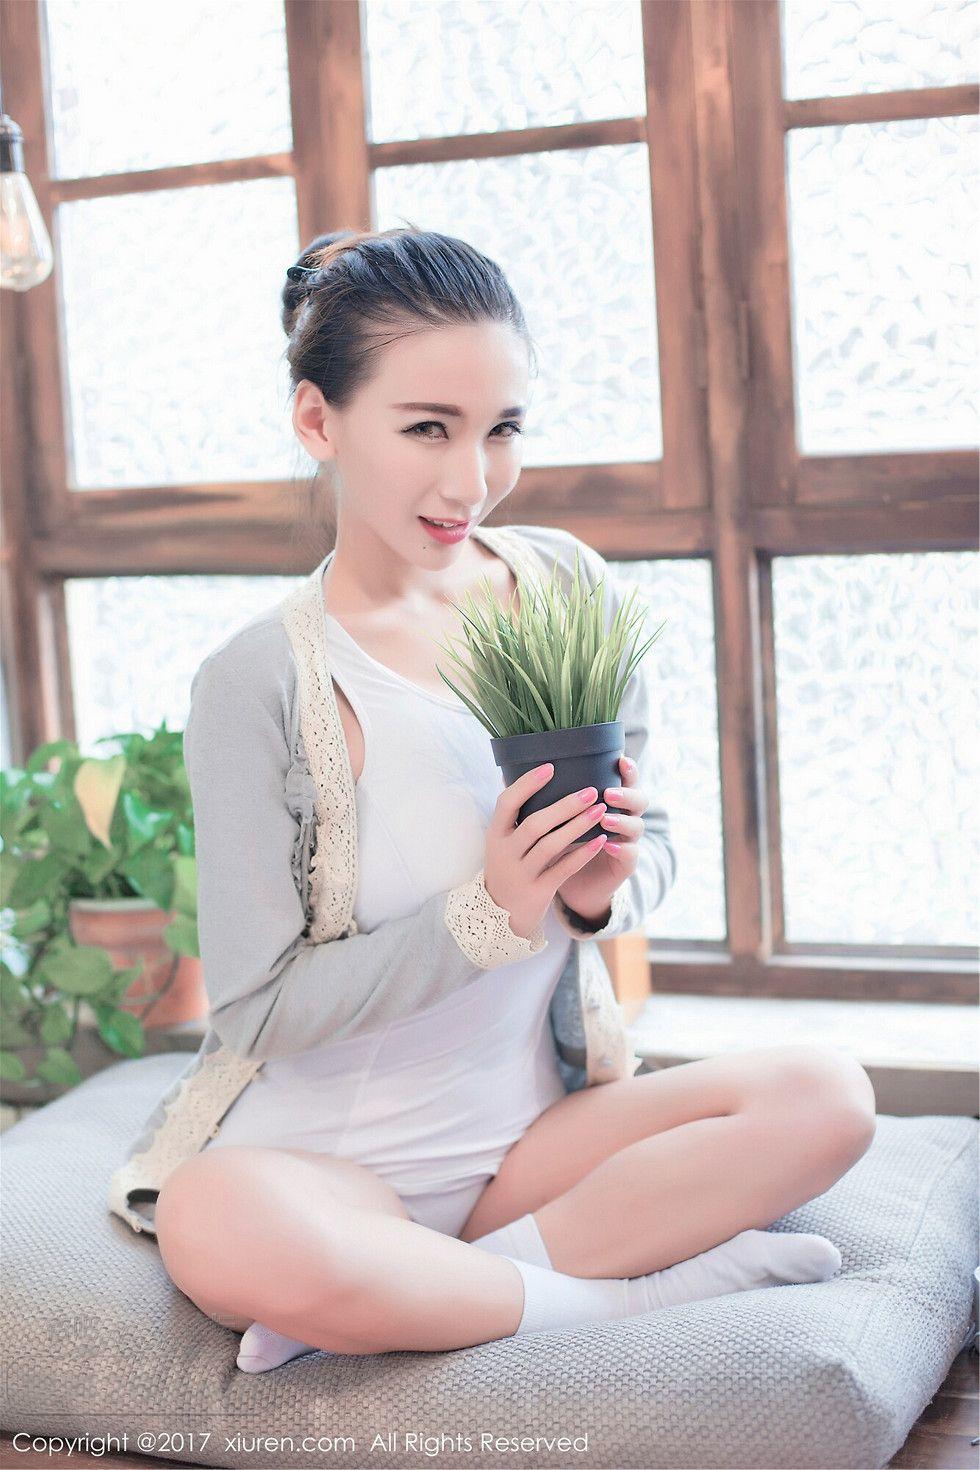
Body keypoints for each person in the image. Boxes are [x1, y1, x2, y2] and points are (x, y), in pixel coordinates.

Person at [153, 227, 876, 1371]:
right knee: (207, 1218)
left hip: (531, 1144)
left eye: (501, 429)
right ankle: (617, 1299)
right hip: (324, 1164)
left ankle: (427, 1292)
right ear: (318, 420)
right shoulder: (261, 680)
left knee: (824, 1096)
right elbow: (252, 1010)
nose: (470, 480)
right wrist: (486, 914)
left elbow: (649, 835)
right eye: (426, 429)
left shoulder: (561, 585)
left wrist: (597, 892)